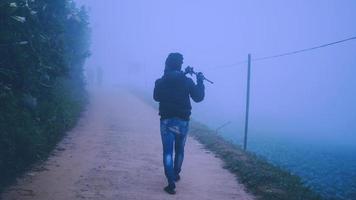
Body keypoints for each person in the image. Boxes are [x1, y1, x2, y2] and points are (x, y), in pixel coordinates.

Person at [153, 53, 205, 195]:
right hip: (182, 121)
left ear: (167, 65)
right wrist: (200, 81)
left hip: (166, 121)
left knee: (168, 152)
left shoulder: (161, 81)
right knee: (180, 149)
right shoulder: (187, 81)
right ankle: (176, 174)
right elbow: (198, 97)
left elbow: (156, 97)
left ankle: (171, 183)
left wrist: (173, 74)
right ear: (180, 65)